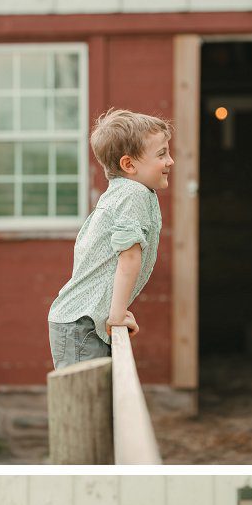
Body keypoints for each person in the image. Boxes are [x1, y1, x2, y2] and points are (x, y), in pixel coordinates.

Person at [47, 108, 171, 370]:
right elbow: (129, 256)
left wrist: (117, 311)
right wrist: (115, 316)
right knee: (86, 406)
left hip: (83, 322)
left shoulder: (124, 192)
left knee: (99, 404)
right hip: (83, 326)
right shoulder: (132, 194)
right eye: (162, 154)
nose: (170, 161)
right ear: (129, 165)